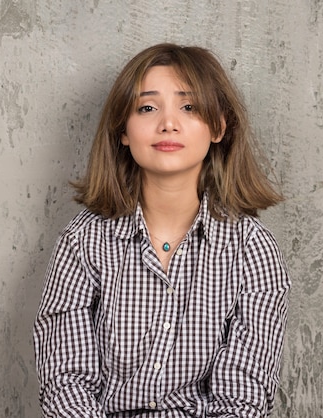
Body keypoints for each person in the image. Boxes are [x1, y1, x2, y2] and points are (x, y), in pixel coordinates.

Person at [33, 43, 291, 417]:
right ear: (123, 130)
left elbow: (243, 399)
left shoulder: (253, 250)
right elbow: (65, 383)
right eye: (147, 107)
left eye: (188, 107)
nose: (168, 123)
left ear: (218, 126)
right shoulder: (83, 242)